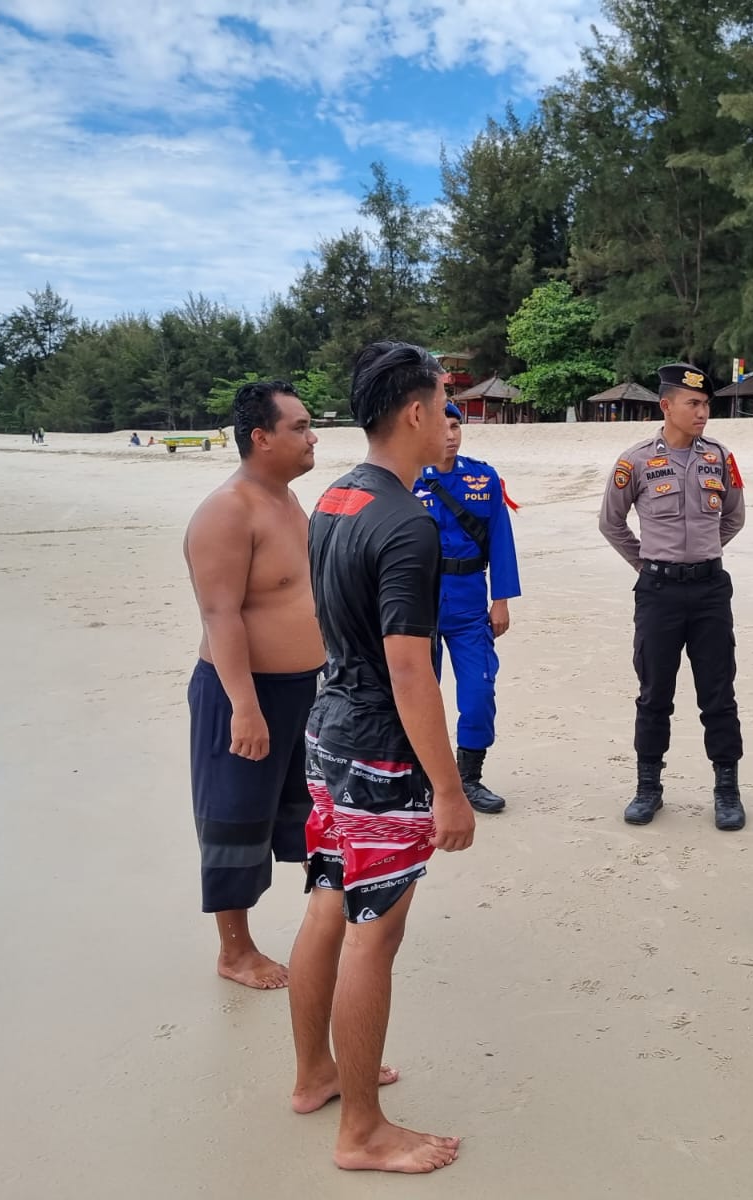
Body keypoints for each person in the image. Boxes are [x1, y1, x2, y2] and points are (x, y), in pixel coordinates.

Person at [289, 342, 474, 1174]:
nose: (448, 421)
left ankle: (316, 1074)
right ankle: (361, 1130)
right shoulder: (407, 522)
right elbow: (409, 667)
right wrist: (449, 787)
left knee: (330, 898)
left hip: (326, 730)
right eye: (441, 404)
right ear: (412, 411)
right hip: (378, 753)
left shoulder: (335, 497)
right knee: (375, 929)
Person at [182, 379, 323, 988]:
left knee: (301, 813)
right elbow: (221, 614)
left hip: (302, 690)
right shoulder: (228, 509)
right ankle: (234, 951)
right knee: (234, 818)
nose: (313, 436)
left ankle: (320, 921)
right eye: (299, 427)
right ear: (260, 438)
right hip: (242, 692)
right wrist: (244, 706)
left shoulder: (289, 502)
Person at [600, 363, 748, 831]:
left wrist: (702, 554)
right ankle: (648, 788)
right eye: (694, 404)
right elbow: (612, 523)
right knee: (654, 693)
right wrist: (647, 564)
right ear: (667, 406)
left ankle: (727, 790)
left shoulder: (721, 458)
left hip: (709, 590)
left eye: (706, 404)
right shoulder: (635, 461)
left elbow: (733, 517)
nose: (703, 412)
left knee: (718, 694)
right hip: (658, 592)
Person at [413, 401, 521, 813]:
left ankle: (469, 779)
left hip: (469, 603)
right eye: (444, 425)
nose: (451, 434)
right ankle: (422, 778)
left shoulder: (483, 477)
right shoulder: (406, 479)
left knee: (478, 690)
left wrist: (501, 600)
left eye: (457, 425)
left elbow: (501, 541)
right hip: (417, 602)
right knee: (421, 692)